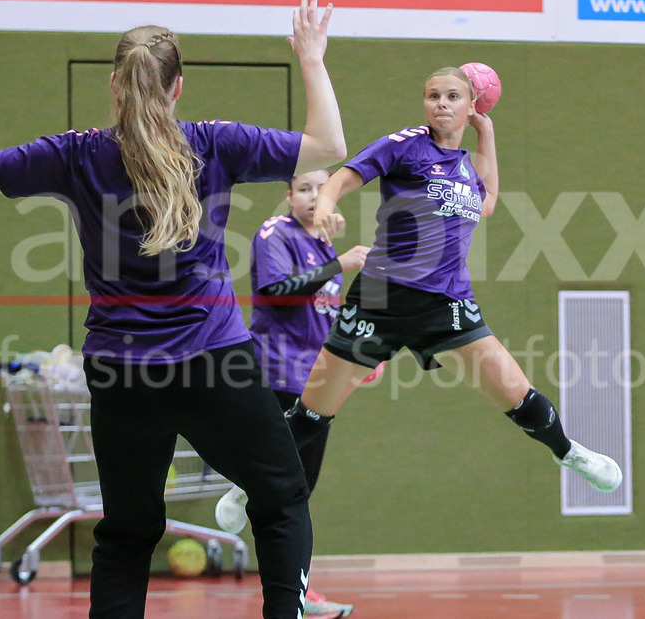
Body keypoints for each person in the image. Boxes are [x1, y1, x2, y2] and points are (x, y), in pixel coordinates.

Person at [0, 0, 347, 619]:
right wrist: (311, 58)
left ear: (114, 85)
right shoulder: (215, 142)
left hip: (120, 372)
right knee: (282, 496)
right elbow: (327, 144)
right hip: (215, 363)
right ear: (178, 87)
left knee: (127, 532)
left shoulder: (76, 153)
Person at [215, 67, 623, 535]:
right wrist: (325, 204)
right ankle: (247, 485)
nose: (441, 104)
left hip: (446, 304)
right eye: (433, 95)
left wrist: (486, 132)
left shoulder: (466, 167)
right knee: (312, 414)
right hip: (379, 298)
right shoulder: (407, 144)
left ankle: (569, 452)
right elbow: (345, 175)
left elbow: (488, 200)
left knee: (517, 395)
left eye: (453, 96)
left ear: (470, 106)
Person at [217, 170, 370, 618]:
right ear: (289, 196)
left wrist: (358, 355)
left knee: (301, 490)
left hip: (320, 378)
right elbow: (278, 292)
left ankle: (296, 590)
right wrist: (340, 264)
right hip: (280, 372)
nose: (313, 197)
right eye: (304, 189)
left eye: (322, 189)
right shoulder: (275, 234)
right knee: (286, 492)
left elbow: (325, 310)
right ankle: (290, 593)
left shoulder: (321, 242)